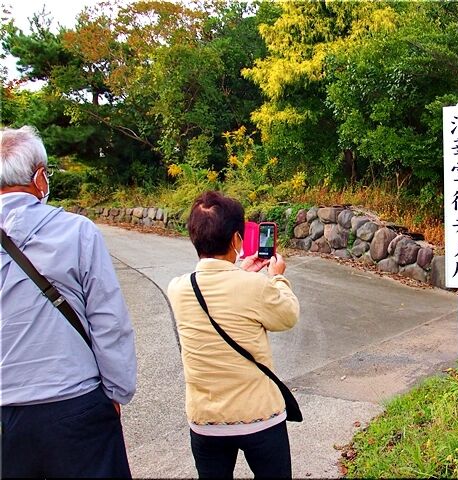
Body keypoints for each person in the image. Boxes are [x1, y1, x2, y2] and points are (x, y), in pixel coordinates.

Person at [1, 126, 137, 478]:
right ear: (40, 178)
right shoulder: (77, 231)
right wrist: (116, 392)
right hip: (76, 403)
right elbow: (109, 321)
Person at [167, 191, 300, 479]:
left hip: (206, 421)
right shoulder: (255, 286)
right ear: (237, 240)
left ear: (194, 237)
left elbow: (219, 287)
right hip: (259, 418)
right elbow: (288, 315)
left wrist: (240, 270)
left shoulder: (177, 288)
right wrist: (277, 277)